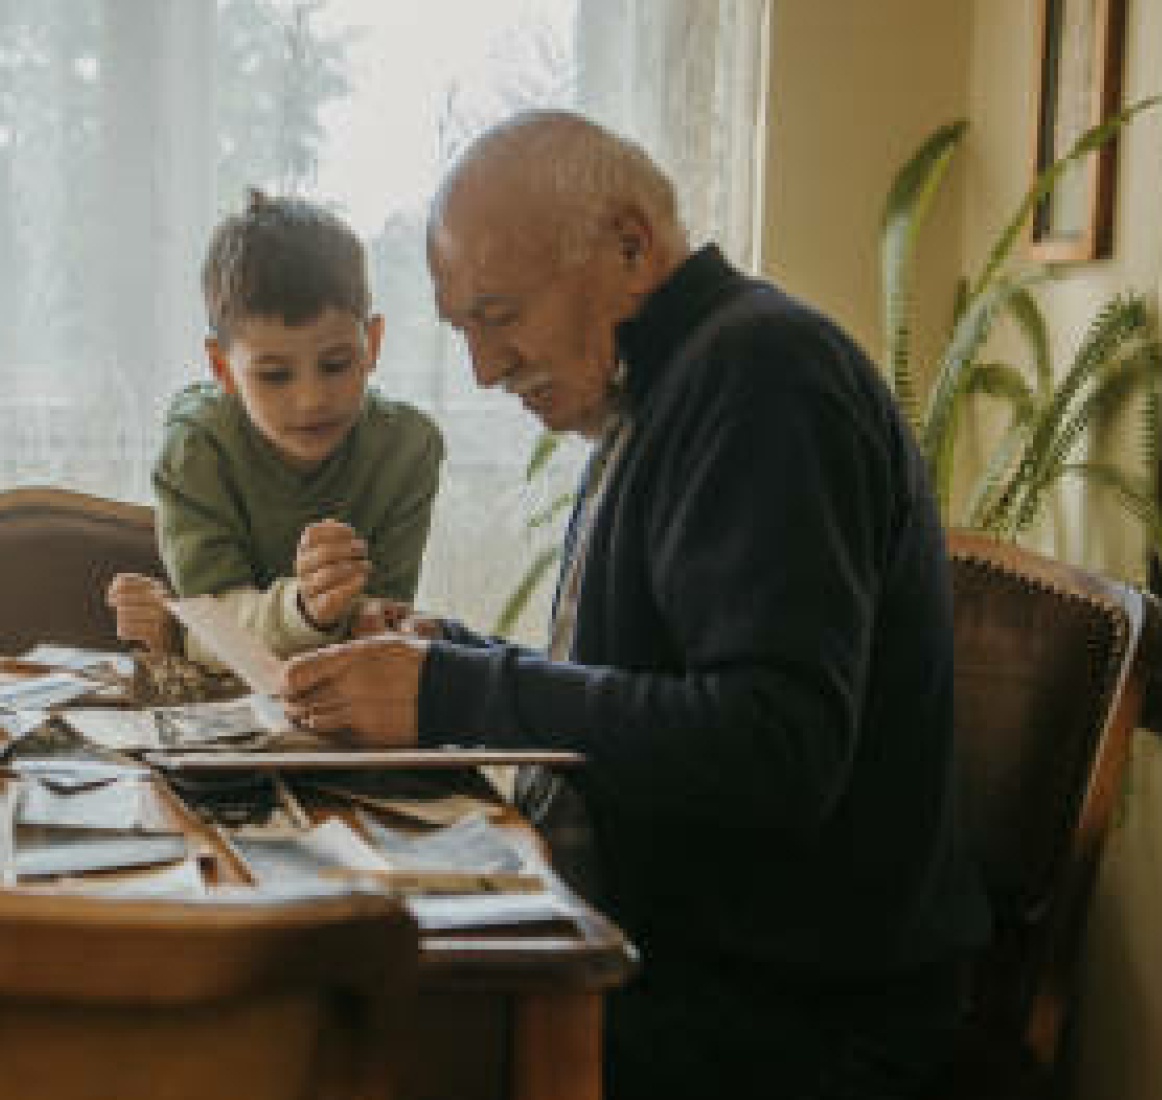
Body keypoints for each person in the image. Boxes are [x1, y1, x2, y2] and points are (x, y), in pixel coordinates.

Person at [280, 111, 988, 1099]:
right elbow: (665, 686)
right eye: (462, 329)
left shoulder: (764, 378)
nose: (484, 367)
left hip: (798, 1015)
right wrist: (446, 649)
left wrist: (453, 688)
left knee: (320, 1040)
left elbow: (775, 744)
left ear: (628, 244)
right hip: (713, 961)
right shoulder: (675, 377)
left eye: (499, 313)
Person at [106, 190, 443, 663]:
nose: (311, 400)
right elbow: (216, 625)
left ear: (373, 343)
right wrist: (305, 610)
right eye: (274, 375)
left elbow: (378, 624)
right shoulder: (196, 448)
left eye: (336, 364)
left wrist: (376, 620)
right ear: (222, 369)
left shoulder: (409, 449)